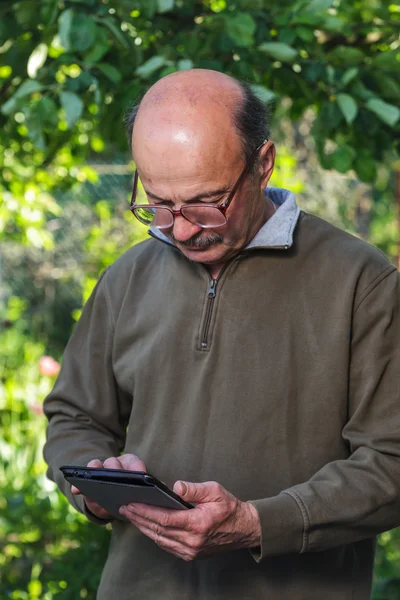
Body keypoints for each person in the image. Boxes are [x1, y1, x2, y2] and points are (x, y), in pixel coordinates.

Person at [43, 69, 400, 600]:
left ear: (263, 164)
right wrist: (95, 485)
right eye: (159, 204)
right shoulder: (127, 276)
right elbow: (73, 417)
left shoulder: (363, 283)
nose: (181, 229)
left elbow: (391, 462)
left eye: (206, 201)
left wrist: (259, 523)